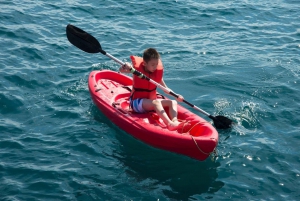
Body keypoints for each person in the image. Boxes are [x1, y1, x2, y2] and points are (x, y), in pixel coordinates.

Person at [119, 48, 184, 131]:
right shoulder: (136, 70)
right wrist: (126, 65)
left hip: (150, 102)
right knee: (156, 102)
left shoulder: (157, 73)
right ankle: (169, 124)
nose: (155, 67)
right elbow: (121, 70)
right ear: (145, 63)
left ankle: (174, 121)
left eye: (156, 64)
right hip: (137, 103)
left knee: (173, 102)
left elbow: (165, 89)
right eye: (153, 65)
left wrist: (176, 96)